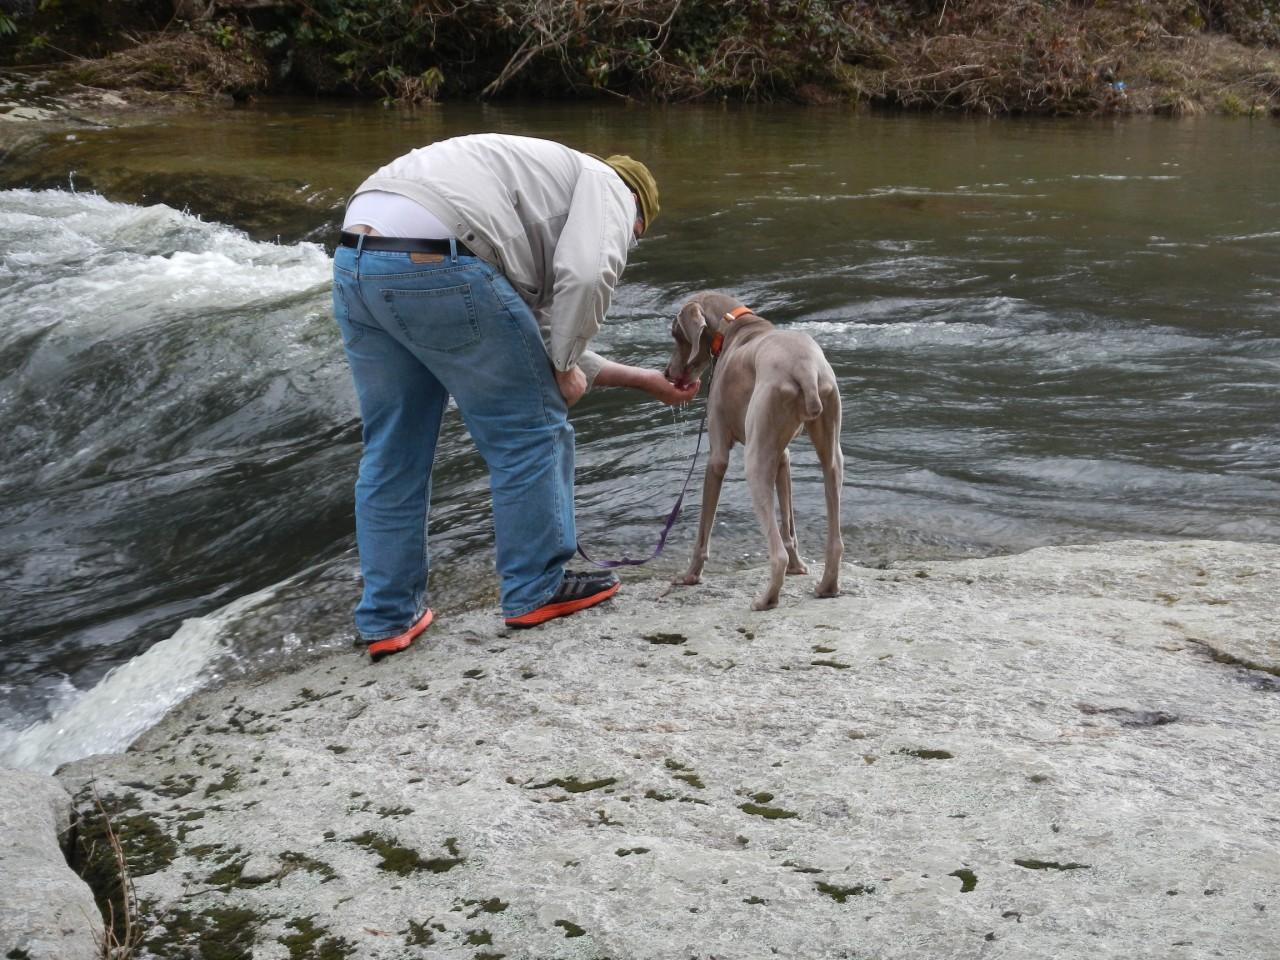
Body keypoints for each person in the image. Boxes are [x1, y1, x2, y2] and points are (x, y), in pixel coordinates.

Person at [332, 133, 698, 662]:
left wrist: (639, 378)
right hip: (441, 260)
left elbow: (530, 340)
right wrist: (567, 366)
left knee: (393, 450)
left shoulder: (531, 189)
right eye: (633, 237)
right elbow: (588, 274)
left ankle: (388, 617)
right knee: (530, 429)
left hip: (357, 260)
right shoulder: (612, 188)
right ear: (637, 213)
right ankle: (536, 588)